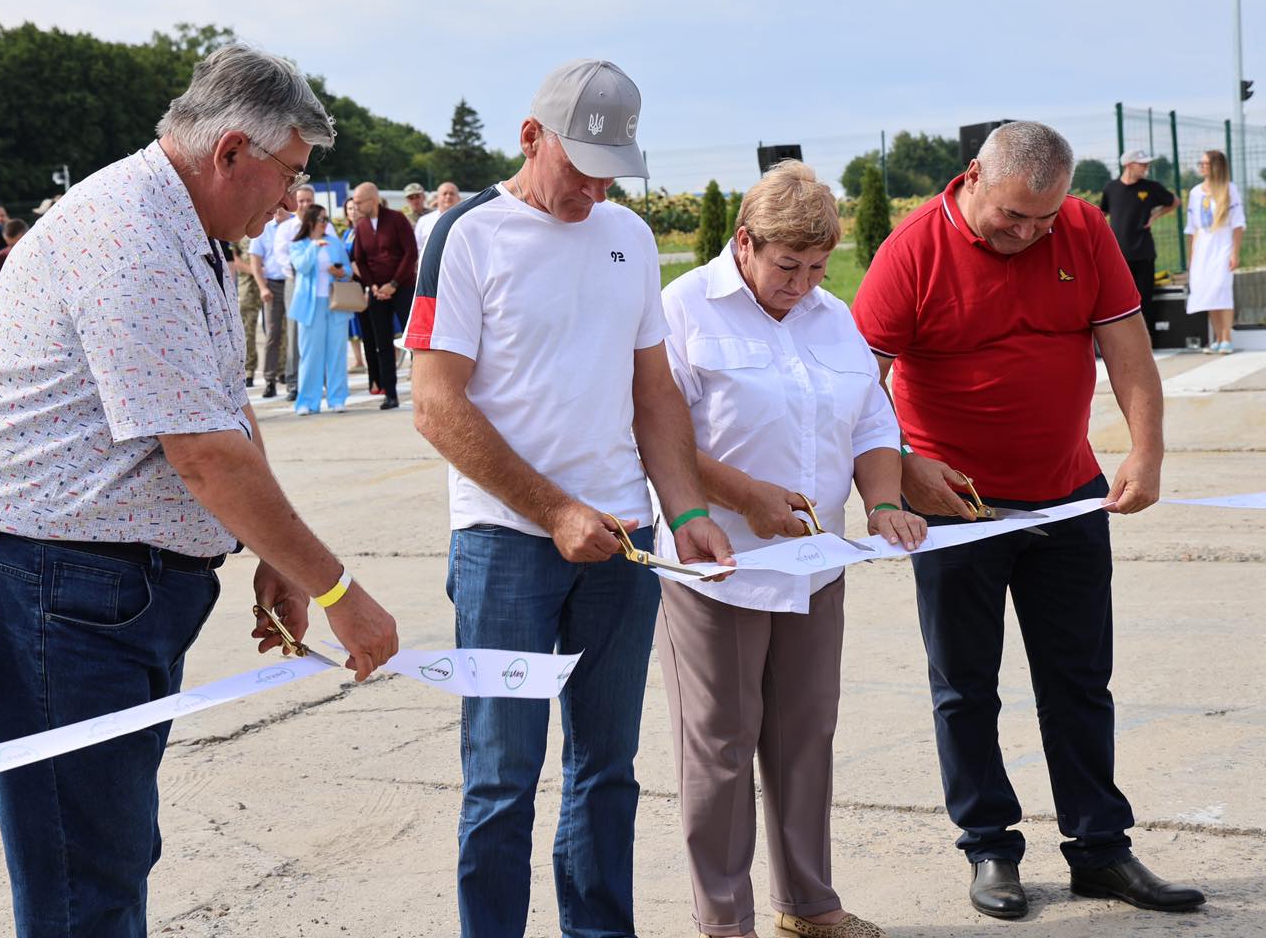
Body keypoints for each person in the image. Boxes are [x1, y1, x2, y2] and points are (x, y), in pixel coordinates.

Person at [0, 44, 399, 938]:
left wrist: (271, 551)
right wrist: (340, 591)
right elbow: (205, 457)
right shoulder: (130, 233)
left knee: (108, 848)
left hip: (86, 577)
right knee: (83, 873)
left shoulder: (190, 229)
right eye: (289, 175)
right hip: (46, 575)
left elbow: (223, 408)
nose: (294, 199)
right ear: (228, 153)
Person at [406, 58, 734, 938]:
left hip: (622, 544)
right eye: (580, 163)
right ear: (529, 137)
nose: (594, 186)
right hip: (505, 548)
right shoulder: (465, 235)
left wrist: (689, 512)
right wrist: (552, 510)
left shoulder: (626, 235)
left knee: (607, 770)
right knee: (503, 776)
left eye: (610, 168)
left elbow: (655, 396)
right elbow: (436, 407)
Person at [852, 121, 1204, 920]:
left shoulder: (1081, 226)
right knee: (966, 687)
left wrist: (1146, 451)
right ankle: (989, 848)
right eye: (1013, 216)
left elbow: (1128, 353)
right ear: (972, 177)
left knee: (1080, 680)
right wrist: (905, 467)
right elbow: (855, 388)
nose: (1028, 234)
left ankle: (1101, 851)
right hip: (954, 512)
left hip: (1068, 497)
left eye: (1043, 220)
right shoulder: (910, 252)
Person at [657, 161, 919, 938]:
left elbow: (873, 421)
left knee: (806, 733)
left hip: (815, 564)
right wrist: (744, 499)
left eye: (817, 267)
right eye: (787, 266)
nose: (802, 283)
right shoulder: (685, 309)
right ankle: (725, 919)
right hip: (720, 563)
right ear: (745, 242)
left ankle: (808, 904)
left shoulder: (834, 317)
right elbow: (660, 432)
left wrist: (884, 499)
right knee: (723, 744)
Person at [351, 181, 417, 409]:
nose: (356, 206)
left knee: (413, 341)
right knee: (382, 344)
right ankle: (390, 393)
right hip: (377, 292)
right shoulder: (361, 227)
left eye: (360, 202)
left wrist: (394, 283)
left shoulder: (397, 219)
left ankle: (421, 389)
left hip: (403, 288)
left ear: (373, 200)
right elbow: (359, 259)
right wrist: (374, 286)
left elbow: (411, 253)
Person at [1100, 150, 1178, 331]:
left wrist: (1154, 217)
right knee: (1118, 300)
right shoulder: (1111, 188)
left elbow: (1174, 201)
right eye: (1142, 164)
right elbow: (1101, 213)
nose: (1146, 167)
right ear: (1129, 165)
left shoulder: (1150, 187)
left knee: (1144, 299)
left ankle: (1147, 343)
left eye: (1147, 164)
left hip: (1143, 252)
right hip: (1118, 255)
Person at [287, 203, 352, 414]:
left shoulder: (335, 243)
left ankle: (337, 398)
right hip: (309, 306)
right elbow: (302, 268)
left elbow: (349, 269)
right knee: (310, 355)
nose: (326, 223)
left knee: (337, 353)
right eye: (322, 219)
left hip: (335, 304)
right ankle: (306, 402)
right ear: (311, 221)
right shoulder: (298, 245)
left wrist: (340, 272)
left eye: (327, 219)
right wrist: (314, 246)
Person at [1186, 149, 1246, 354]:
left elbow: (1238, 224)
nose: (1202, 166)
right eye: (1200, 163)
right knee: (1207, 291)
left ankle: (1227, 337)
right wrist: (1191, 256)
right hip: (1202, 248)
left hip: (1223, 246)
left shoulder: (1230, 190)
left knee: (1221, 288)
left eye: (1205, 163)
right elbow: (1192, 228)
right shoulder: (1195, 192)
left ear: (1216, 166)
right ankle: (1217, 338)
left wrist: (1235, 253)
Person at [249, 204, 291, 397]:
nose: (279, 208)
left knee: (295, 334)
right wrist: (263, 287)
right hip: (273, 285)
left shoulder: (296, 225)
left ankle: (292, 378)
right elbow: (255, 263)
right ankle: (269, 380)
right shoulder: (264, 229)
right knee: (273, 334)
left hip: (294, 283)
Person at [342, 196, 370, 375]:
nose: (353, 212)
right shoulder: (347, 232)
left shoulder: (367, 230)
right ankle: (359, 360)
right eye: (349, 209)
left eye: (355, 208)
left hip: (366, 279)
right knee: (354, 322)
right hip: (351, 281)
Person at [234, 232, 264, 385]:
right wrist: (256, 270)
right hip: (248, 286)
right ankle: (249, 369)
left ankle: (280, 370)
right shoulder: (239, 227)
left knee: (279, 329)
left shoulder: (270, 226)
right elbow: (234, 258)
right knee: (247, 328)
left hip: (273, 281)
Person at [414, 181, 461, 256]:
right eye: (444, 193)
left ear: (458, 199)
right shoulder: (424, 221)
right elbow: (417, 247)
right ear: (437, 198)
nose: (448, 196)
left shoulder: (464, 221)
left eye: (451, 194)